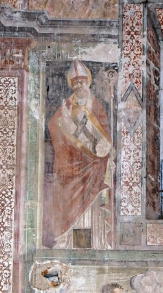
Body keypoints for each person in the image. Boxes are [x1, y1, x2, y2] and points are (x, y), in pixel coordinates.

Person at [44, 61, 113, 248]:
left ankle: (97, 241)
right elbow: (54, 125)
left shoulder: (97, 105)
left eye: (82, 82)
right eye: (75, 83)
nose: (79, 86)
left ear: (87, 82)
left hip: (95, 165)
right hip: (72, 163)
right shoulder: (67, 106)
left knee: (94, 199)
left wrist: (104, 150)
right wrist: (65, 128)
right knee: (69, 200)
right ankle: (67, 240)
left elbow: (105, 135)